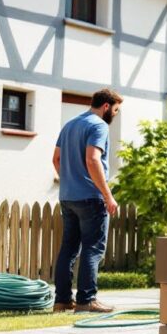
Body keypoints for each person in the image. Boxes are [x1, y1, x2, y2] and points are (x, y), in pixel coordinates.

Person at [51, 88, 123, 313]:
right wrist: (107, 195)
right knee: (93, 248)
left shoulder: (70, 124)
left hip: (68, 197)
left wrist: (70, 181)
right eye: (116, 110)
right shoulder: (98, 125)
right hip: (91, 198)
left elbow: (56, 159)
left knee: (69, 248)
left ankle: (62, 301)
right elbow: (93, 160)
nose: (115, 114)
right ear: (106, 106)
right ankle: (86, 300)